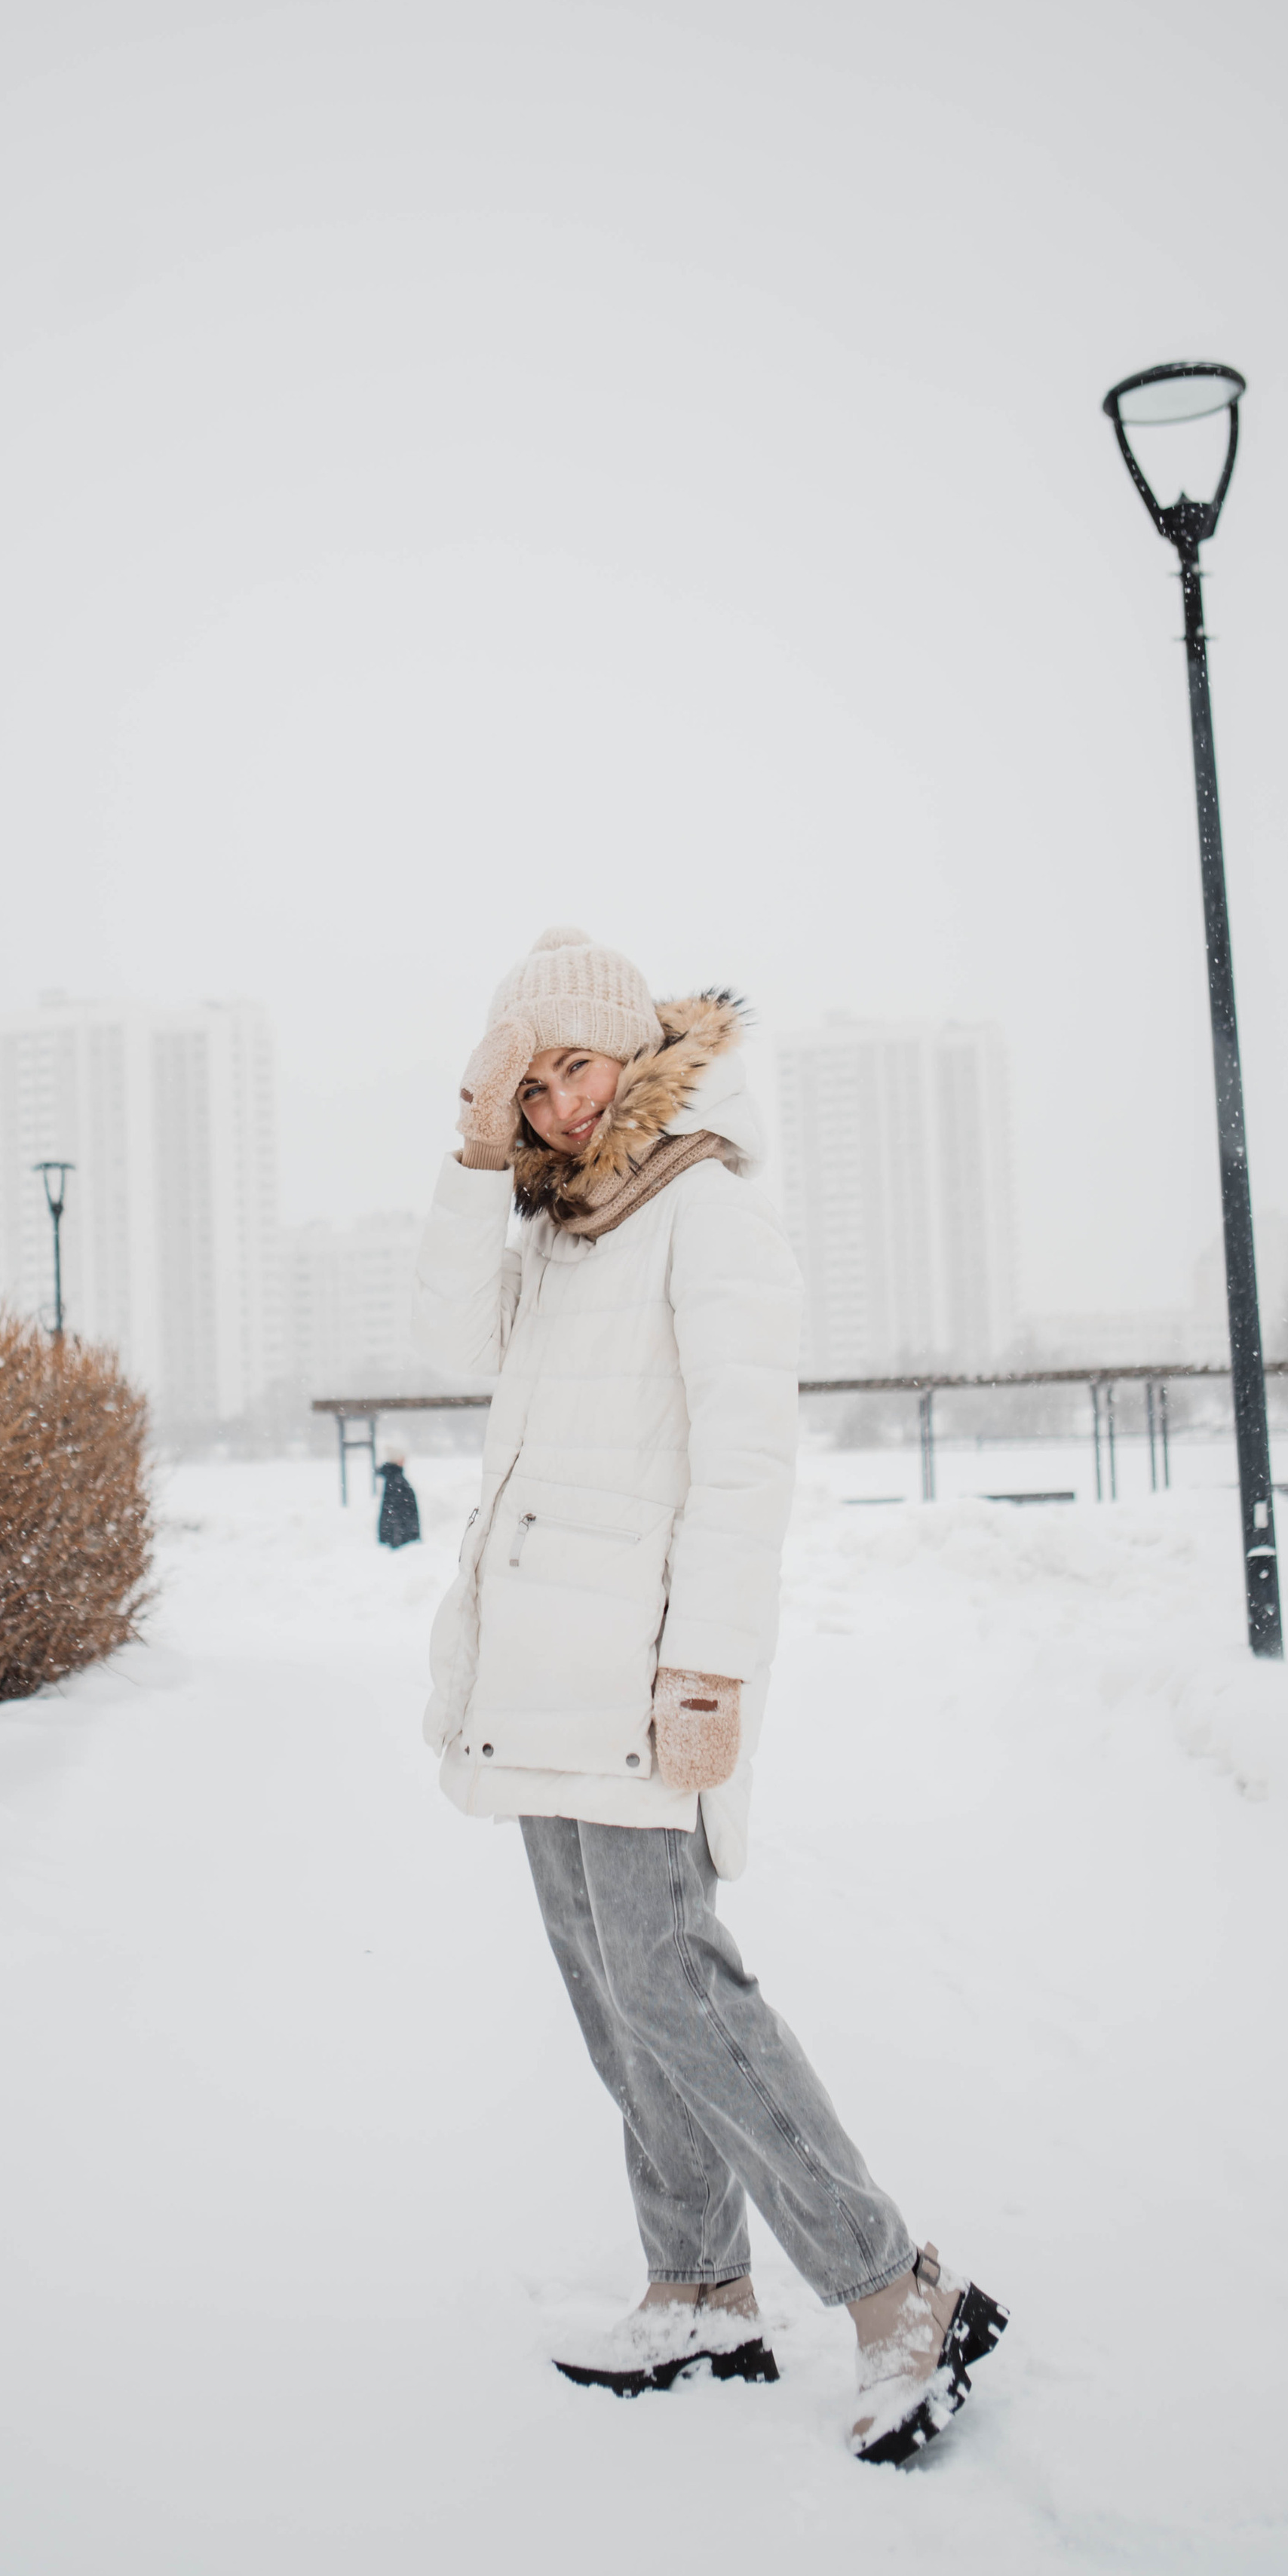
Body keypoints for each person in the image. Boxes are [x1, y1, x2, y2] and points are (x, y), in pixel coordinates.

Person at [411, 926, 1006, 2464]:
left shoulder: (706, 1211)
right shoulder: (548, 1232)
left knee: (677, 1986)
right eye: (525, 1088)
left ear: (635, 1058)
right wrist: (470, 1163)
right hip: (530, 1675)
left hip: (633, 1676)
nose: (554, 1107)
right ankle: (696, 2286)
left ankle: (892, 2292)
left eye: (575, 1069)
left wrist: (707, 1671)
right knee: (616, 2005)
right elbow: (436, 1346)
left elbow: (745, 1469)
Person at [376, 1446, 421, 1549]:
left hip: (400, 1537)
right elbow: (395, 1512)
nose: (404, 1460)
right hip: (401, 1540)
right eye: (402, 1458)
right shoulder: (396, 1480)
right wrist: (399, 1538)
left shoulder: (393, 1478)